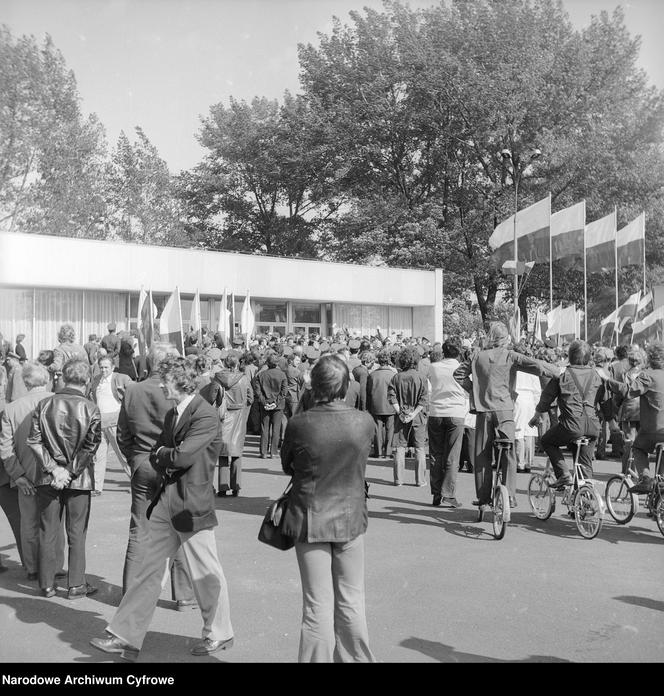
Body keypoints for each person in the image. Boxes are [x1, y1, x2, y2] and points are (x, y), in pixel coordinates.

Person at [91, 354, 233, 661]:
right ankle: (125, 636)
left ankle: (219, 632)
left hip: (191, 504)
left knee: (206, 572)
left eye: (166, 382)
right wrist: (165, 454)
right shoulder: (175, 413)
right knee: (147, 570)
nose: (162, 387)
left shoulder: (205, 414)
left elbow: (180, 457)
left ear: (180, 382)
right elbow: (168, 453)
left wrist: (163, 454)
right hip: (166, 500)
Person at [280, 354, 376, 663]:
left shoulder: (300, 423)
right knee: (351, 600)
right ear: (347, 386)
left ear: (314, 386)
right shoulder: (364, 421)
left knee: (316, 605)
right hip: (350, 515)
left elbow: (287, 465)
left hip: (310, 517)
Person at [116, 343, 195, 607]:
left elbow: (122, 434)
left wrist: (134, 460)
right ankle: (184, 594)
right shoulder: (178, 393)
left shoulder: (133, 390)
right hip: (172, 464)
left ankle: (130, 591)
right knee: (179, 527)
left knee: (139, 529)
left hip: (143, 464)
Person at [454, 322, 559, 511]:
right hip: (504, 411)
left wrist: (474, 391)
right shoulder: (510, 355)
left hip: (483, 411)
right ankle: (509, 495)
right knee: (509, 452)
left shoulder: (477, 356)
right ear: (506, 338)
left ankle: (483, 498)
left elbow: (459, 374)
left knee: (482, 455)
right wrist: (558, 372)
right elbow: (535, 365)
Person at [27, 358, 101, 599]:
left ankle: (46, 584)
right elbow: (90, 446)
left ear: (63, 377)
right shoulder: (90, 407)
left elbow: (34, 441)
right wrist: (68, 470)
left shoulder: (45, 404)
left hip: (49, 478)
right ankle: (76, 584)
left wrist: (54, 469)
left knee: (48, 530)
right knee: (77, 531)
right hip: (77, 479)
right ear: (87, 380)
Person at [0, 362, 65, 581]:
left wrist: (17, 475)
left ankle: (32, 567)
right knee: (55, 522)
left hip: (25, 473)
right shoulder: (59, 401)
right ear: (46, 379)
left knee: (29, 523)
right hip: (55, 472)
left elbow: (5, 447)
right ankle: (54, 566)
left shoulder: (11, 409)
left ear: (25, 383)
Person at [529, 340, 609, 487]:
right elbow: (603, 399)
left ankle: (563, 474)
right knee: (584, 465)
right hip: (592, 426)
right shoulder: (597, 375)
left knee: (547, 441)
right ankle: (585, 499)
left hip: (571, 425)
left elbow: (546, 398)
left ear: (570, 356)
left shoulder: (563, 375)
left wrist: (536, 416)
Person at [603, 341, 664, 493]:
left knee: (637, 447)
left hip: (653, 427)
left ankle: (645, 478)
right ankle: (659, 495)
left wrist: (608, 380)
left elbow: (628, 391)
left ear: (649, 358)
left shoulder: (648, 376)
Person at [200, 352, 253, 497]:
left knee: (223, 454)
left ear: (225, 363)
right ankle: (236, 486)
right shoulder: (244, 379)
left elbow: (211, 398)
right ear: (237, 364)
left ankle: (223, 487)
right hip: (239, 417)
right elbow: (251, 398)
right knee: (236, 453)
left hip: (223, 417)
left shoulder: (218, 378)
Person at [427, 339, 467, 507]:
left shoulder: (433, 367)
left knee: (436, 454)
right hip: (456, 412)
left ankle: (436, 492)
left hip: (436, 412)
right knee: (453, 455)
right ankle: (448, 493)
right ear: (458, 352)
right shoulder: (462, 368)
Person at [88, 355, 132, 494]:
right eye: (101, 367)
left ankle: (135, 481)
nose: (103, 370)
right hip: (100, 423)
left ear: (113, 367)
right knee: (98, 457)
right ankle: (96, 487)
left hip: (115, 421)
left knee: (122, 454)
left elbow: (133, 392)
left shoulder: (121, 378)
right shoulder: (96, 381)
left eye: (106, 367)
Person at [389, 346, 429, 487]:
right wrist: (413, 413)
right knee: (419, 448)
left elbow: (391, 397)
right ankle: (420, 480)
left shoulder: (396, 377)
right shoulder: (421, 377)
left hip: (401, 416)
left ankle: (398, 480)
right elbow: (424, 400)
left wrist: (401, 412)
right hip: (417, 416)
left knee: (399, 448)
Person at [254, 352, 287, 458]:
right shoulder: (282, 375)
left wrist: (264, 402)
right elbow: (284, 392)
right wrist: (275, 402)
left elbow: (258, 391)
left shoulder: (261, 375)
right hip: (278, 405)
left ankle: (263, 452)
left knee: (265, 428)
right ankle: (273, 452)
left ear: (267, 363)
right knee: (276, 429)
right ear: (277, 363)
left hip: (265, 403)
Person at [366, 349, 396, 458]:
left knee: (377, 429)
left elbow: (368, 391)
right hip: (390, 405)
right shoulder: (393, 374)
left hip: (376, 405)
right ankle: (388, 452)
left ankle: (378, 452)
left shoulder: (373, 375)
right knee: (390, 429)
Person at [50, 324, 88, 392]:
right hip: (80, 381)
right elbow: (86, 365)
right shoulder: (81, 348)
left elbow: (57, 366)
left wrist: (47, 368)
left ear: (60, 335)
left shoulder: (59, 349)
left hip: (65, 381)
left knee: (60, 401)